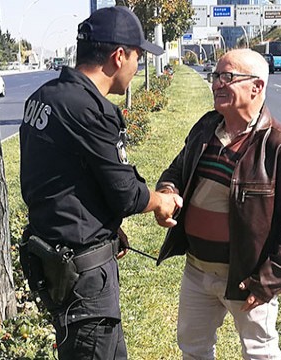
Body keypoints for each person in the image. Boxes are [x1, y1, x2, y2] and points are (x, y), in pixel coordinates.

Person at [18, 6, 182, 360]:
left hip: (60, 263)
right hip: (85, 282)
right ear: (118, 56)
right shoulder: (89, 110)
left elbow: (58, 182)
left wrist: (105, 229)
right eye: (138, 56)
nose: (137, 66)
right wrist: (161, 202)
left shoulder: (44, 98)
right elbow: (126, 193)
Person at [155, 49, 281, 360]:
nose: (216, 83)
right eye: (215, 76)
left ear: (256, 87)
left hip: (245, 278)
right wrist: (167, 190)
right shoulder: (206, 128)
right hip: (197, 269)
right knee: (193, 349)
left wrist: (266, 283)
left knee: (260, 354)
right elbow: (177, 169)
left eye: (227, 77)